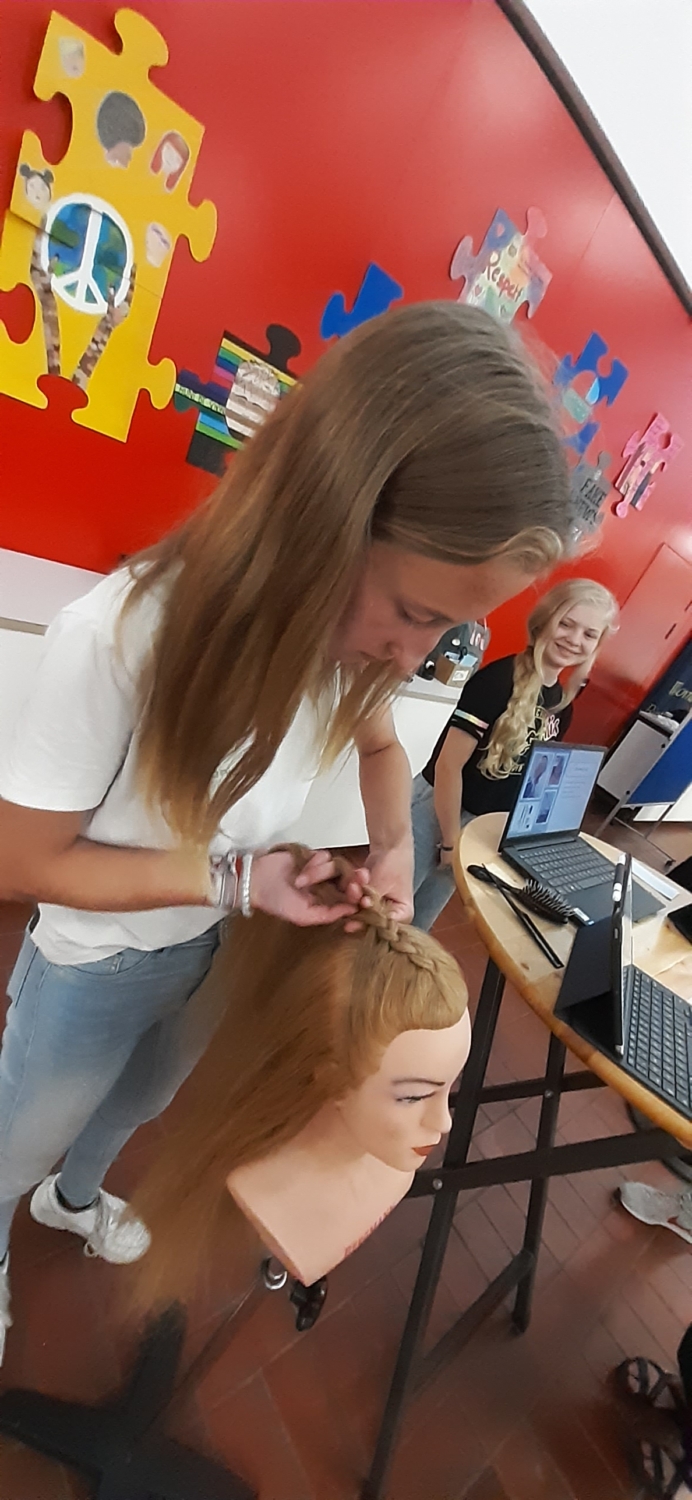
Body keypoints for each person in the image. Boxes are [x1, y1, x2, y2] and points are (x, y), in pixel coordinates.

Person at [0, 300, 572, 1361]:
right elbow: (22, 860)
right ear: (325, 519)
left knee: (144, 1098)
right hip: (94, 960)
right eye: (414, 613)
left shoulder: (344, 650)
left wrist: (392, 846)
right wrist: (234, 878)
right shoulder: (120, 637)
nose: (413, 657)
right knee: (21, 1135)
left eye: (447, 629)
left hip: (211, 943)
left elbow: (381, 749)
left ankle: (71, 1200)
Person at [132, 849, 470, 1306]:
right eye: (413, 1097)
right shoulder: (260, 1186)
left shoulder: (393, 1159)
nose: (444, 1122)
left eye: (449, 1086)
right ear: (330, 1076)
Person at [411, 577, 618, 931]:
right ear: (544, 621)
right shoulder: (497, 680)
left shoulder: (561, 704)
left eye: (589, 634)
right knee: (385, 909)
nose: (574, 639)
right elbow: (448, 766)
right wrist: (449, 839)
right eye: (566, 624)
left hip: (474, 826)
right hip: (437, 810)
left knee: (418, 925)